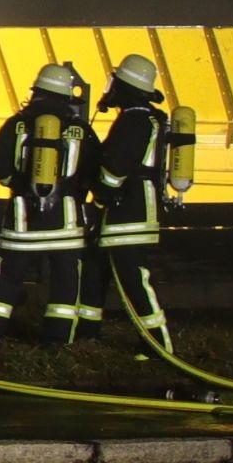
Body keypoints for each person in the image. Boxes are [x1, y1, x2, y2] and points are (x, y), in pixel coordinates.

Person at [0, 62, 91, 342]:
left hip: (22, 223)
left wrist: (18, 185)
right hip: (66, 226)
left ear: (37, 91)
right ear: (67, 96)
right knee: (65, 288)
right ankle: (58, 343)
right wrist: (76, 195)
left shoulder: (16, 124)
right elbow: (93, 170)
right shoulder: (79, 128)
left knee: (5, 283)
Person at [88, 53, 185, 351]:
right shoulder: (147, 118)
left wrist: (100, 194)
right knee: (95, 271)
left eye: (116, 83)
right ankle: (87, 337)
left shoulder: (134, 121)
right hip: (132, 210)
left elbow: (115, 168)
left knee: (133, 279)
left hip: (128, 213)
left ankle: (157, 346)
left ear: (125, 86)